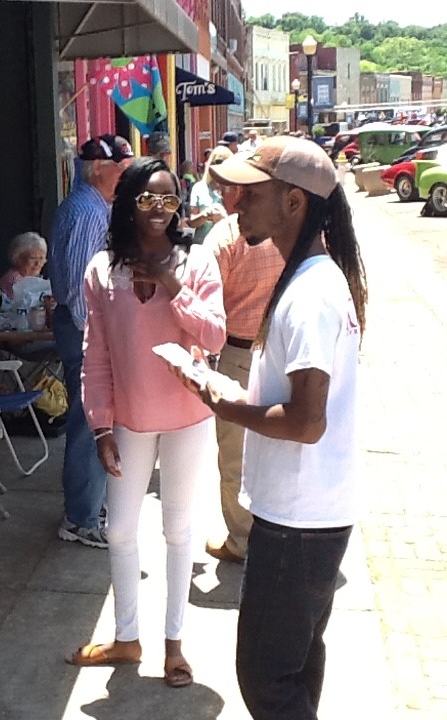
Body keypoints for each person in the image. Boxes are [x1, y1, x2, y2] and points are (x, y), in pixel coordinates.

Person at [173, 136, 368, 719]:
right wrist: (226, 389)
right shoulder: (310, 279)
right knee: (296, 665)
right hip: (308, 512)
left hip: (299, 519)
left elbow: (306, 422)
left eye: (251, 193)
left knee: (265, 678)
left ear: (294, 202)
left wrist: (224, 404)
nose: (235, 204)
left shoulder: (310, 292)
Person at [65, 157, 226, 688]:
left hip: (187, 417)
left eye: (169, 199)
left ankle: (174, 644)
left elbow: (215, 336)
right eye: (148, 198)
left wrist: (170, 283)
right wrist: (100, 426)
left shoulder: (196, 262)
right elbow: (96, 354)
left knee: (178, 531)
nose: (160, 209)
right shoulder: (101, 270)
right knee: (118, 529)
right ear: (128, 203)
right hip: (129, 421)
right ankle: (127, 637)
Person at [48, 133, 134, 548]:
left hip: (80, 327)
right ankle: (81, 517)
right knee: (90, 422)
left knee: (91, 421)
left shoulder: (90, 206)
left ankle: (86, 507)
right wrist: (100, 340)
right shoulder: (87, 211)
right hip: (84, 330)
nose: (125, 175)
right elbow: (81, 289)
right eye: (121, 167)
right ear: (99, 168)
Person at [201, 187, 284, 564]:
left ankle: (242, 540)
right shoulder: (291, 228)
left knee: (236, 456)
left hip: (238, 355)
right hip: (285, 352)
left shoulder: (225, 237)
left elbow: (205, 301)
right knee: (281, 448)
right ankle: (279, 535)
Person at [187, 146, 232, 244]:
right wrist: (205, 215)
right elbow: (191, 222)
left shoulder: (236, 189)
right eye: (216, 164)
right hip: (203, 245)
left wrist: (224, 218)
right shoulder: (199, 188)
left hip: (228, 246)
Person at [0, 231, 48, 300]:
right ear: (18, 258)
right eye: (33, 258)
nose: (38, 263)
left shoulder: (34, 279)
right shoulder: (13, 281)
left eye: (41, 258)